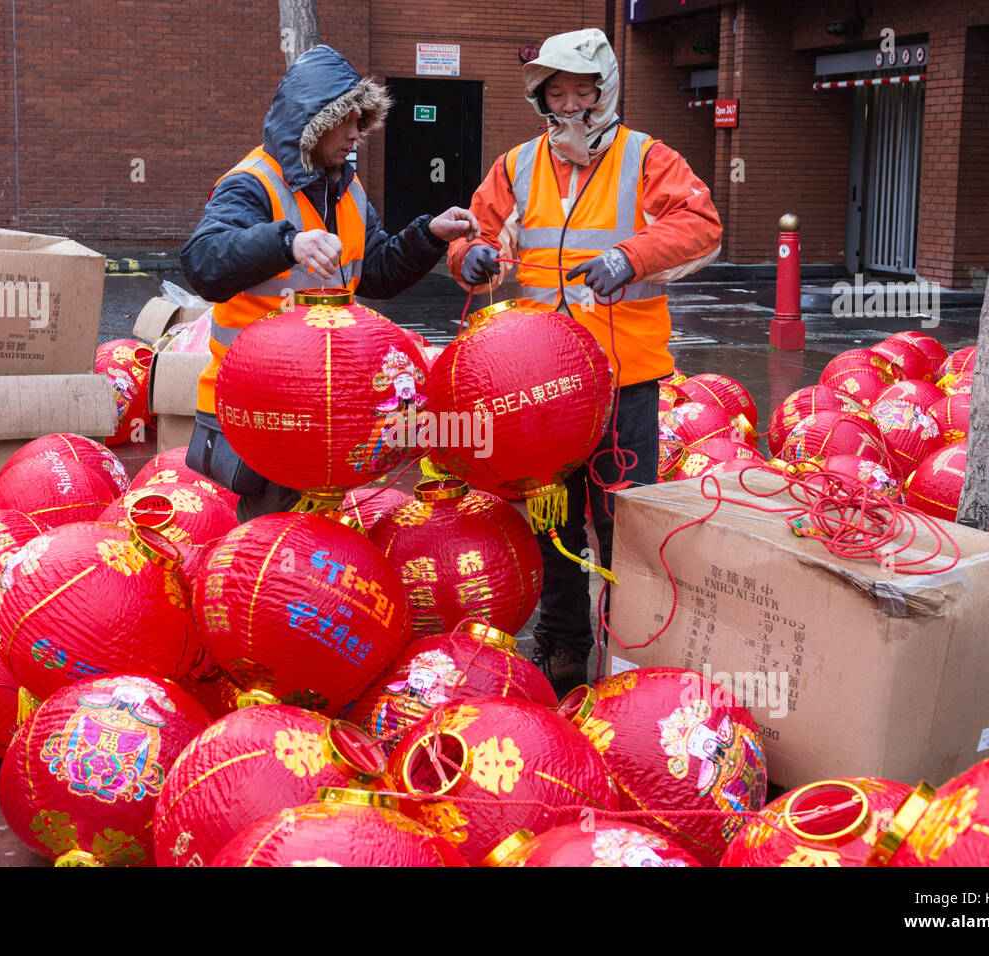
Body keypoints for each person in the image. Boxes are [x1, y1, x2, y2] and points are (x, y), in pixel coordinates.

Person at [446, 28, 723, 692]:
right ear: (540, 97)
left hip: (623, 380)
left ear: (605, 92)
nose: (568, 104)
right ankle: (565, 646)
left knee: (623, 524)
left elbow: (700, 226)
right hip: (540, 386)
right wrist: (471, 260)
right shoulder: (517, 166)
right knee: (552, 518)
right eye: (555, 91)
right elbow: (479, 239)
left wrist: (630, 256)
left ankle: (627, 661)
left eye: (580, 91)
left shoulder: (648, 159)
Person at [182, 44, 477, 521]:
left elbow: (375, 272)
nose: (356, 135)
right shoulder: (253, 183)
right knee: (276, 545)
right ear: (314, 122)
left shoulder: (347, 189)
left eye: (361, 122)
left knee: (318, 539)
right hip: (258, 404)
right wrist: (286, 242)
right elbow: (202, 264)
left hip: (327, 402)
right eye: (346, 122)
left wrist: (428, 235)